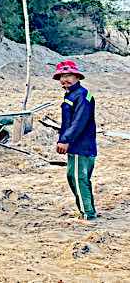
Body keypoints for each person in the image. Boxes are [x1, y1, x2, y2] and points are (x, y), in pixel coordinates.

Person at [53, 60, 98, 221]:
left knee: (79, 179)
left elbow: (79, 121)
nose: (65, 79)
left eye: (68, 75)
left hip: (81, 145)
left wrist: (65, 139)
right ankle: (86, 211)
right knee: (73, 177)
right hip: (75, 145)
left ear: (77, 76)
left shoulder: (82, 95)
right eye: (62, 76)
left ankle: (88, 214)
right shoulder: (71, 95)